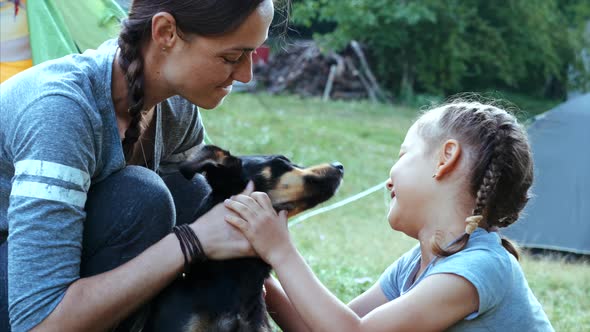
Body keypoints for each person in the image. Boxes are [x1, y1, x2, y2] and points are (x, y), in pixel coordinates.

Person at [0, 0, 278, 330]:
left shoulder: (176, 105)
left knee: (194, 191)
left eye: (252, 54)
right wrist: (190, 241)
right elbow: (36, 323)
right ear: (165, 32)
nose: (246, 75)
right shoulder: (61, 112)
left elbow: (204, 215)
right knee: (140, 198)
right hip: (27, 302)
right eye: (231, 57)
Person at [225, 100, 555, 331]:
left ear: (446, 159)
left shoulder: (482, 266)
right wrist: (260, 273)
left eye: (404, 154)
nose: (388, 178)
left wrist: (281, 251)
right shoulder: (416, 266)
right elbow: (321, 327)